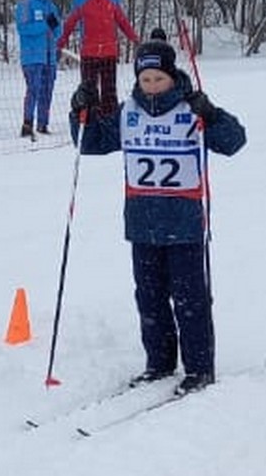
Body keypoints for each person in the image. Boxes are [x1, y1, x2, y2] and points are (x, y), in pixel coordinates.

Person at [70, 29, 245, 392]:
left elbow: (234, 141)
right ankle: (160, 363)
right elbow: (91, 142)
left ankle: (199, 368)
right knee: (149, 298)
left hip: (184, 224)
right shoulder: (128, 112)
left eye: (158, 78)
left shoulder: (190, 107)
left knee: (190, 298)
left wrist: (210, 115)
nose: (151, 85)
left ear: (171, 76)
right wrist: (79, 112)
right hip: (142, 223)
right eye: (145, 78)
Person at [57, 0, 139, 118]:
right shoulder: (81, 0)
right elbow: (70, 23)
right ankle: (91, 118)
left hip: (109, 52)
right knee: (89, 89)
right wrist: (61, 41)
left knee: (109, 89)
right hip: (89, 52)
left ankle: (110, 118)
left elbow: (122, 21)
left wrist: (134, 38)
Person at [14, 0, 62, 139]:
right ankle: (27, 124)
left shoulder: (51, 6)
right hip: (32, 56)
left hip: (49, 56)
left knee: (47, 90)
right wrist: (44, 25)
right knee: (33, 88)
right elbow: (23, 29)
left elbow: (58, 30)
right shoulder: (26, 4)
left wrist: (56, 28)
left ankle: (43, 124)